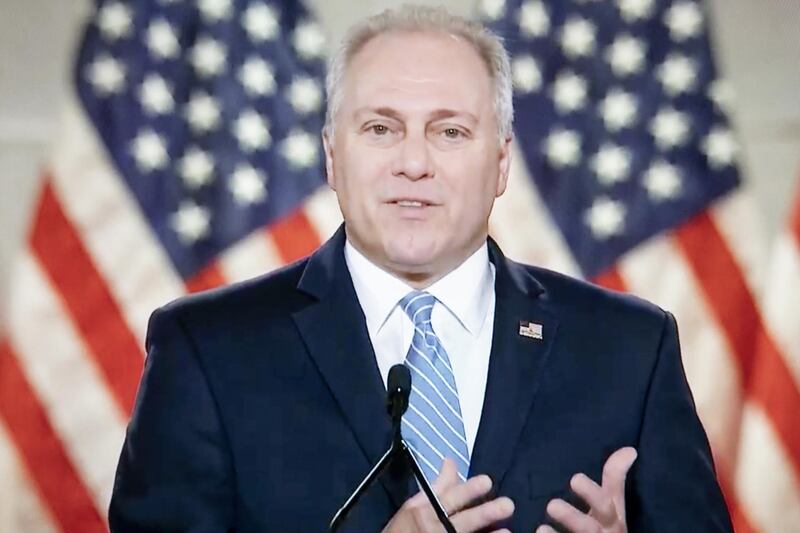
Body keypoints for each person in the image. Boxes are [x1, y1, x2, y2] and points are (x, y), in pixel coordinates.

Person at [109, 5, 733, 532]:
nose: (414, 162)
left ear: (502, 162)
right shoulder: (208, 350)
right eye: (381, 128)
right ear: (332, 156)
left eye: (451, 132)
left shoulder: (628, 349)